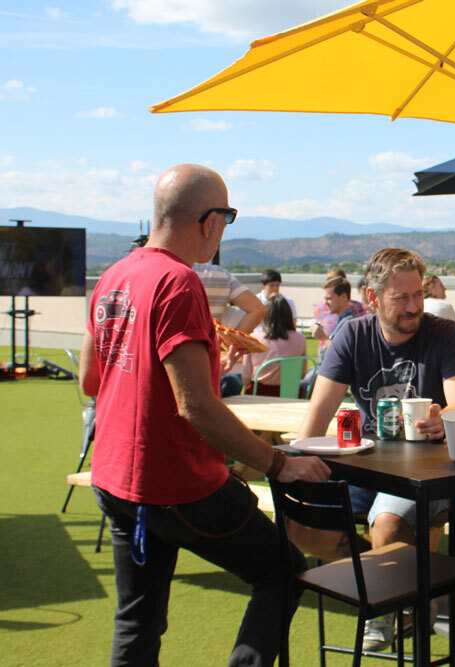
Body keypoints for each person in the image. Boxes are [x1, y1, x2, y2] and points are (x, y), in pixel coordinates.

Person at [78, 164, 329, 666]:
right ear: (209, 221)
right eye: (229, 216)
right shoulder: (179, 282)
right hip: (178, 484)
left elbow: (90, 378)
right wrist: (279, 464)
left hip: (116, 480)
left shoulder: (115, 275)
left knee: (137, 620)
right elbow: (195, 406)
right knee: (282, 571)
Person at [298, 247, 455, 650]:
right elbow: (318, 413)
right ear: (374, 297)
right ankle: (406, 587)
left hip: (428, 472)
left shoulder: (444, 334)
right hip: (368, 464)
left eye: (418, 295)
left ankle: (388, 607)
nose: (414, 306)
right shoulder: (353, 334)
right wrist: (292, 465)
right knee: (301, 525)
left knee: (390, 524)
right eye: (402, 298)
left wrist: (443, 414)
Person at [193, 262, 266, 397]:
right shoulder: (219, 274)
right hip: (212, 365)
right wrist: (229, 345)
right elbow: (258, 309)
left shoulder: (159, 270)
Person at [242, 295, 308, 396]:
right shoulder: (301, 339)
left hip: (259, 395)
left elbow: (246, 379)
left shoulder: (253, 339)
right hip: (291, 395)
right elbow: (302, 375)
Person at [313, 268, 365, 360]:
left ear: (343, 297)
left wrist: (323, 337)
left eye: (329, 298)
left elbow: (342, 354)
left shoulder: (350, 324)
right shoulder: (343, 320)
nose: (325, 303)